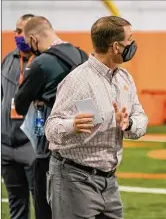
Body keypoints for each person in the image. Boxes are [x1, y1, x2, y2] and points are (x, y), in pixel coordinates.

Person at [44, 16, 148, 219]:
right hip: (73, 179)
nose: (133, 44)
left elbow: (141, 117)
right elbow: (51, 128)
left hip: (108, 181)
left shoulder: (124, 78)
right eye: (130, 39)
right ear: (116, 46)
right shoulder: (77, 81)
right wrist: (71, 125)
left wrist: (129, 124)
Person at [14, 16, 88, 219]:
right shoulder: (82, 56)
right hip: (81, 149)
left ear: (33, 39)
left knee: (45, 208)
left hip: (49, 148)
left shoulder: (40, 63)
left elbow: (20, 105)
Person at [1, 13, 36, 219]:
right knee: (16, 205)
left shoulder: (43, 61)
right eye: (15, 30)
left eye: (20, 31)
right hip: (6, 145)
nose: (16, 34)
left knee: (42, 204)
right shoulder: (8, 59)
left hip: (32, 145)